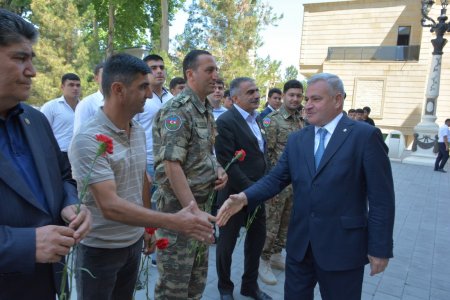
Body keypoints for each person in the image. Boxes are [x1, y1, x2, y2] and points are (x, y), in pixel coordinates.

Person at [217, 73, 395, 300]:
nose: (307, 106)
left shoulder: (364, 136)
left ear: (337, 100)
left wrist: (380, 247)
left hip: (342, 247)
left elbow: (382, 198)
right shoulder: (298, 139)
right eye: (307, 99)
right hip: (301, 246)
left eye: (315, 99)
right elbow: (276, 178)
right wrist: (244, 197)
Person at [69, 53, 216, 300]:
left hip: (132, 244)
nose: (150, 95)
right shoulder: (88, 139)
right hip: (101, 249)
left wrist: (147, 228)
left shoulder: (136, 129)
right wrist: (172, 221)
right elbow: (110, 206)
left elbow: (143, 180)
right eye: (143, 87)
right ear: (118, 90)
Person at [0, 9, 91, 299]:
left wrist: (70, 203)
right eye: (19, 58)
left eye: (32, 59)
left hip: (48, 284)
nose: (32, 71)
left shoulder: (35, 120)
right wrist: (23, 245)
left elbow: (63, 176)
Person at [152, 49, 228, 299]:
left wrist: (217, 169)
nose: (215, 76)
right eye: (209, 70)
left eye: (216, 70)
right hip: (180, 213)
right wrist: (192, 211)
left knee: (195, 285)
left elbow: (204, 152)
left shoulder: (205, 109)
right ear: (190, 74)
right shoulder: (178, 110)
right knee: (174, 288)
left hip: (198, 212)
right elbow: (171, 165)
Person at [215, 77, 272, 300]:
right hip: (234, 195)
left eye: (257, 90)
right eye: (250, 92)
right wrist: (251, 192)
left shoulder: (256, 119)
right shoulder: (226, 121)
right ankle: (224, 288)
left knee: (256, 242)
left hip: (256, 194)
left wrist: (263, 188)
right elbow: (228, 161)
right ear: (235, 97)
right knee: (226, 246)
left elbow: (261, 156)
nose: (257, 95)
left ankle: (250, 286)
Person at [258, 79, 304, 285]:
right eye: (291, 95)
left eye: (298, 95)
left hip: (296, 183)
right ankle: (263, 260)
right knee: (271, 224)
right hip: (278, 183)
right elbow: (266, 154)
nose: (295, 99)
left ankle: (276, 255)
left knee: (287, 222)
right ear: (284, 96)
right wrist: (270, 185)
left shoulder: (302, 120)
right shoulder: (272, 120)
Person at [134, 54, 173, 195]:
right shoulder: (138, 98)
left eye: (162, 67)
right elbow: (131, 133)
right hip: (148, 164)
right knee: (149, 209)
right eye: (153, 68)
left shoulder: (173, 99)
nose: (159, 71)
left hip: (171, 162)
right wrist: (142, 169)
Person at [40, 72, 81, 160]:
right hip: (59, 154)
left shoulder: (84, 106)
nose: (75, 88)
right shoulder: (51, 107)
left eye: (78, 85)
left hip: (80, 154)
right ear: (62, 87)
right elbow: (42, 132)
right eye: (71, 85)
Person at [73, 62, 104, 134]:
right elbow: (79, 135)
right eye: (105, 75)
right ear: (96, 79)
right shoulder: (86, 104)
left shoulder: (121, 102)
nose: (110, 78)